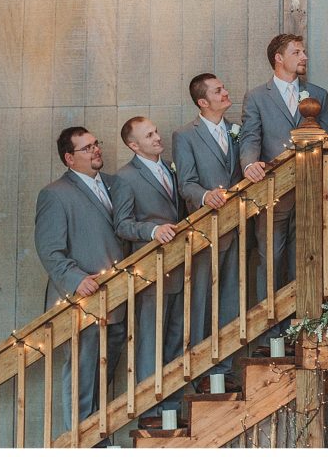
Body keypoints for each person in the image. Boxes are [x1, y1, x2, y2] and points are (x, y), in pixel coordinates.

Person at [240, 34, 328, 347]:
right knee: (270, 260)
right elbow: (250, 137)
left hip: (311, 192)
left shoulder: (318, 94)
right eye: (297, 52)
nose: (304, 56)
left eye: (304, 51)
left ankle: (304, 330)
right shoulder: (257, 97)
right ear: (279, 58)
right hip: (273, 193)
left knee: (307, 259)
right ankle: (271, 337)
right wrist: (249, 165)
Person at [34, 127, 124, 443]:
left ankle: (97, 438)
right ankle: (81, 442)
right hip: (81, 302)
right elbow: (49, 249)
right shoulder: (55, 194)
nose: (95, 150)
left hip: (117, 298)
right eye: (86, 148)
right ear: (69, 158)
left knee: (104, 375)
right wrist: (77, 280)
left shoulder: (115, 184)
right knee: (82, 375)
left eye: (96, 144)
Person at [172, 73, 243, 393]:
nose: (226, 92)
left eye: (224, 87)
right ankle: (201, 372)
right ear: (202, 102)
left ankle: (223, 371)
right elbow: (185, 182)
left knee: (231, 300)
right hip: (205, 231)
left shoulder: (237, 130)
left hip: (238, 226)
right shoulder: (185, 135)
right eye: (218, 90)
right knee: (201, 302)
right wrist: (204, 196)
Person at [112, 116, 185, 428]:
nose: (157, 137)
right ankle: (150, 414)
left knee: (176, 340)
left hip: (180, 265)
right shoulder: (125, 177)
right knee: (150, 344)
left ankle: (171, 410)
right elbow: (122, 224)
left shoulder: (170, 168)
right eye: (149, 135)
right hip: (150, 271)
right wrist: (153, 231)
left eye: (156, 131)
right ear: (133, 145)